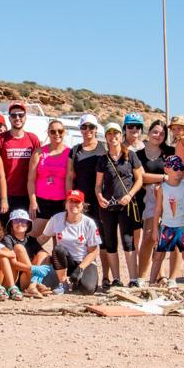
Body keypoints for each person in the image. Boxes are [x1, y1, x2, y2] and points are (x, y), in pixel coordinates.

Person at [95, 122, 143, 288]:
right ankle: (116, 278)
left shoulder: (130, 156)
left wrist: (130, 195)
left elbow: (140, 179)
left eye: (116, 133)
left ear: (120, 136)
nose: (113, 136)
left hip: (126, 205)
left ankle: (133, 279)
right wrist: (99, 197)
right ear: (106, 137)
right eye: (109, 134)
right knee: (110, 241)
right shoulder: (103, 159)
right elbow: (98, 184)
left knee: (128, 240)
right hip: (108, 206)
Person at [149, 156, 184, 293]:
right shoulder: (161, 188)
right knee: (159, 256)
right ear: (166, 169)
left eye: (181, 168)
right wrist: (155, 228)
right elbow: (158, 209)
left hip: (183, 227)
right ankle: (150, 285)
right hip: (166, 227)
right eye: (175, 168)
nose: (179, 171)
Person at [66, 114, 107, 281]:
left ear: (96, 129)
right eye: (84, 127)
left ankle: (106, 277)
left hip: (99, 199)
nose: (87, 130)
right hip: (80, 200)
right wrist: (68, 199)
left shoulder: (103, 149)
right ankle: (79, 273)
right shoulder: (75, 150)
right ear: (80, 129)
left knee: (102, 239)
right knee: (80, 237)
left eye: (91, 127)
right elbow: (69, 176)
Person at [40, 190, 101, 295]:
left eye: (77, 202)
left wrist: (80, 269)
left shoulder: (89, 223)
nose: (74, 204)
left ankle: (77, 281)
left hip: (84, 261)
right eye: (71, 201)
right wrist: (28, 247)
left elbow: (94, 252)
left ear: (83, 205)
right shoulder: (57, 218)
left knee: (88, 289)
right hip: (64, 261)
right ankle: (62, 282)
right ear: (66, 204)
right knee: (58, 249)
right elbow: (43, 238)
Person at [136, 119, 174, 284]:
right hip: (150, 199)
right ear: (149, 132)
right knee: (149, 237)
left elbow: (178, 172)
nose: (158, 135)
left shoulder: (169, 152)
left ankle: (162, 276)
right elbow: (141, 177)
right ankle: (141, 277)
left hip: (170, 197)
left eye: (162, 133)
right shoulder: (138, 155)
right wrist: (164, 177)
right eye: (155, 131)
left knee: (168, 238)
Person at [0, 101, 40, 223]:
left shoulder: (33, 139)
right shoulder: (0, 139)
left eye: (20, 115)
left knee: (22, 231)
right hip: (5, 194)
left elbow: (39, 167)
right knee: (3, 231)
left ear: (25, 117)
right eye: (14, 115)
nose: (17, 118)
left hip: (26, 195)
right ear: (9, 118)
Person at [28, 119, 71, 237]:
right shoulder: (39, 153)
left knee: (60, 240)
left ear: (64, 132)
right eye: (53, 131)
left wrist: (69, 201)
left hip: (61, 202)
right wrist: (32, 202)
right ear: (48, 133)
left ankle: (55, 256)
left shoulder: (70, 153)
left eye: (60, 131)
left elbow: (69, 178)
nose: (57, 134)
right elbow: (31, 179)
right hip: (41, 201)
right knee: (33, 235)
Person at [3, 208, 52, 298]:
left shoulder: (31, 240)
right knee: (19, 247)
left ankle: (33, 285)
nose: (20, 223)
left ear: (28, 224)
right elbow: (13, 264)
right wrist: (33, 268)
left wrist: (38, 269)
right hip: (14, 278)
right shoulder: (8, 239)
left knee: (43, 254)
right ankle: (34, 286)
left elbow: (46, 255)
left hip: (28, 277)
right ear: (11, 224)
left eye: (23, 221)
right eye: (16, 221)